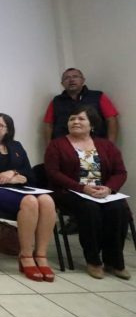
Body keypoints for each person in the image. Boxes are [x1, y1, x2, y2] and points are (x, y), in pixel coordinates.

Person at [0, 113, 56, 282]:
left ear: (8, 130)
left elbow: (29, 173)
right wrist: (3, 179)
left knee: (47, 200)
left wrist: (13, 173)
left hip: (17, 189)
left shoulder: (16, 146)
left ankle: (41, 255)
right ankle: (26, 255)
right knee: (30, 201)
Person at [45, 105, 131, 280]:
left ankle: (114, 261)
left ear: (92, 124)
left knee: (119, 207)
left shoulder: (106, 145)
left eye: (81, 118)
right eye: (72, 119)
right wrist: (82, 188)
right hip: (70, 193)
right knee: (89, 208)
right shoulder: (57, 144)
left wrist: (108, 188)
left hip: (102, 192)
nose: (75, 122)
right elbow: (53, 173)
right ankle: (93, 261)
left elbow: (120, 172)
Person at [44, 68, 119, 143]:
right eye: (67, 78)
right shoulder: (56, 101)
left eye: (75, 76)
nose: (71, 80)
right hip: (64, 146)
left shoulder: (98, 96)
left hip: (94, 145)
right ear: (62, 83)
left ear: (83, 80)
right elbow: (48, 125)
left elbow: (111, 120)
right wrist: (49, 147)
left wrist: (110, 145)